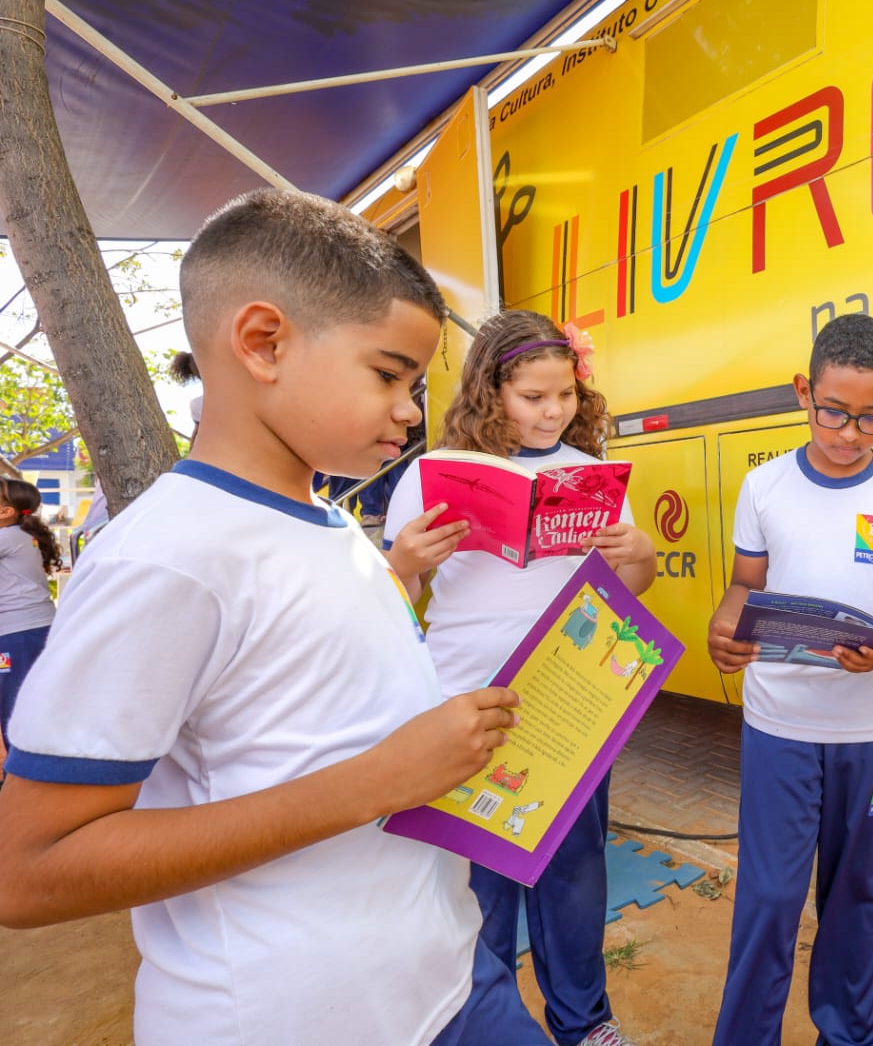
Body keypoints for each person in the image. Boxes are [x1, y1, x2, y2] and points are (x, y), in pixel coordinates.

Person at [0, 188, 553, 1046]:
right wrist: (379, 782)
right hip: (290, 1013)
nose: (410, 410)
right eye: (388, 374)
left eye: (415, 381)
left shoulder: (333, 521)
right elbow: (28, 872)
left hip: (445, 979)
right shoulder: (168, 558)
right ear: (263, 343)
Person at [384, 309, 656, 1046]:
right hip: (463, 700)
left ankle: (584, 1021)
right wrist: (405, 564)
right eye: (533, 397)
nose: (552, 411)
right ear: (490, 391)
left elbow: (632, 589)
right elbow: (391, 603)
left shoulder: (594, 475)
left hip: (572, 700)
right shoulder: (431, 475)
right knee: (477, 881)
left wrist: (637, 551)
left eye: (564, 395)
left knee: (573, 872)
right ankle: (483, 1017)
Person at [706, 313, 873, 1046]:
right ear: (804, 392)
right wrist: (724, 627)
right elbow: (746, 584)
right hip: (779, 726)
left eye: (872, 419)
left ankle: (849, 1034)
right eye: (834, 412)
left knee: (863, 897)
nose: (849, 433)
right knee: (771, 898)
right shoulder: (764, 486)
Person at [0, 477, 62, 768]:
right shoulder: (20, 537)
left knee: (13, 703)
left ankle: (23, 776)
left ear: (6, 512)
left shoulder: (9, 537)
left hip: (18, 633)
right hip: (32, 629)